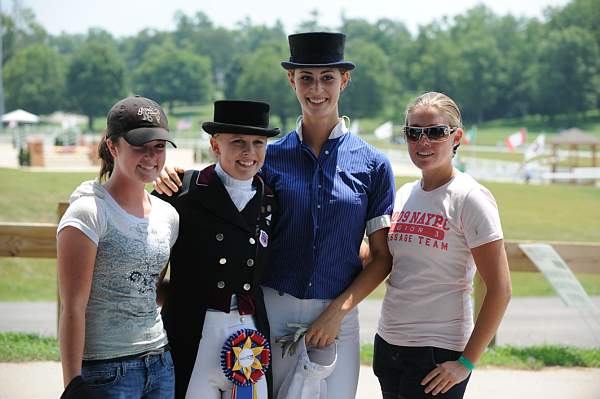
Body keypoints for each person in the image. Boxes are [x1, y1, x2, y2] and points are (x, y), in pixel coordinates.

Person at [154, 32, 395, 399]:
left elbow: (381, 258)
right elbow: (229, 182)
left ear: (344, 81)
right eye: (306, 78)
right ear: (291, 81)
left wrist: (336, 313)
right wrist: (176, 177)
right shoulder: (269, 156)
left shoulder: (374, 164)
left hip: (338, 315)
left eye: (327, 77)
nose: (317, 89)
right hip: (272, 307)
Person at [374, 91, 512, 399]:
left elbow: (500, 289)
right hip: (389, 344)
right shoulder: (404, 193)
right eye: (413, 132)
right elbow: (382, 259)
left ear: (456, 137)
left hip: (438, 353)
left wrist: (465, 363)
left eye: (435, 132)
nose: (423, 142)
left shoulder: (470, 198)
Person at [153, 100, 280, 399]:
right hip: (193, 327)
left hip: (248, 333)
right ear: (215, 145)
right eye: (238, 141)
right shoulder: (181, 191)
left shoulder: (271, 199)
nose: (249, 152)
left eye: (258, 142)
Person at [57, 95, 179, 398]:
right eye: (140, 146)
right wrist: (73, 383)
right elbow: (73, 306)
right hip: (105, 371)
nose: (151, 157)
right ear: (113, 146)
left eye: (159, 146)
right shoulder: (88, 213)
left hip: (161, 363)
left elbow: (148, 285)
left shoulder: (168, 216)